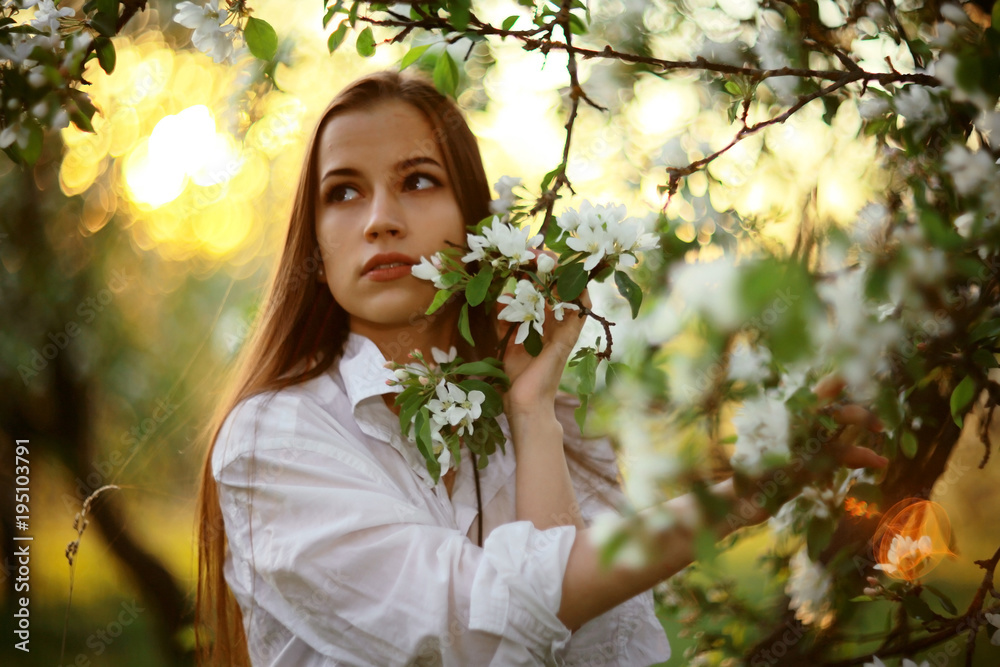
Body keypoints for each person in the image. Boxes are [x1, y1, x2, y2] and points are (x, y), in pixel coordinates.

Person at [195, 70, 887, 666]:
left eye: (418, 180)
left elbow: (565, 641)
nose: (380, 218)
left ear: (473, 223)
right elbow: (471, 617)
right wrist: (729, 501)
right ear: (314, 246)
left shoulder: (543, 419)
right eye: (343, 192)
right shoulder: (275, 438)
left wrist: (530, 408)